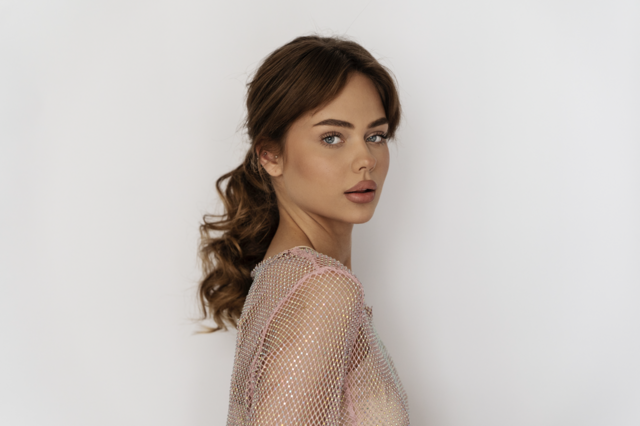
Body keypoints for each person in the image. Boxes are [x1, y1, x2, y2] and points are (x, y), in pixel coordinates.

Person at [198, 35, 410, 425]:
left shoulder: (285, 278)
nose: (365, 159)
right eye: (332, 137)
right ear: (270, 155)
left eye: (375, 136)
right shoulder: (321, 289)